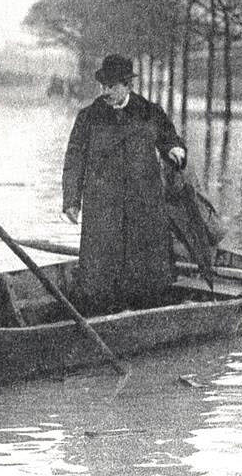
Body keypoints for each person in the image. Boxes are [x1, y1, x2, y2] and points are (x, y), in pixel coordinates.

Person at [61, 54, 186, 314]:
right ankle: (100, 312)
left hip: (142, 205)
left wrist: (175, 149)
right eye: (103, 86)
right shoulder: (89, 117)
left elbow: (169, 138)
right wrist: (71, 201)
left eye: (112, 86)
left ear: (128, 85)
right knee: (99, 272)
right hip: (102, 207)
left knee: (145, 268)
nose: (106, 91)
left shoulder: (149, 112)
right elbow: (74, 159)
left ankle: (147, 311)